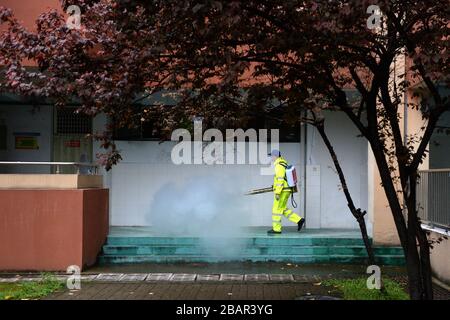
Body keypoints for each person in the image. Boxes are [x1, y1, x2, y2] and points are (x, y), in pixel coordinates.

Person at [268, 149, 305, 234]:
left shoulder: (279, 165)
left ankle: (276, 229)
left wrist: (277, 192)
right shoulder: (283, 163)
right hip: (285, 189)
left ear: (275, 156)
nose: (271, 158)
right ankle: (299, 220)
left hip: (282, 191)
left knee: (276, 210)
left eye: (271, 156)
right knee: (282, 208)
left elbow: (280, 179)